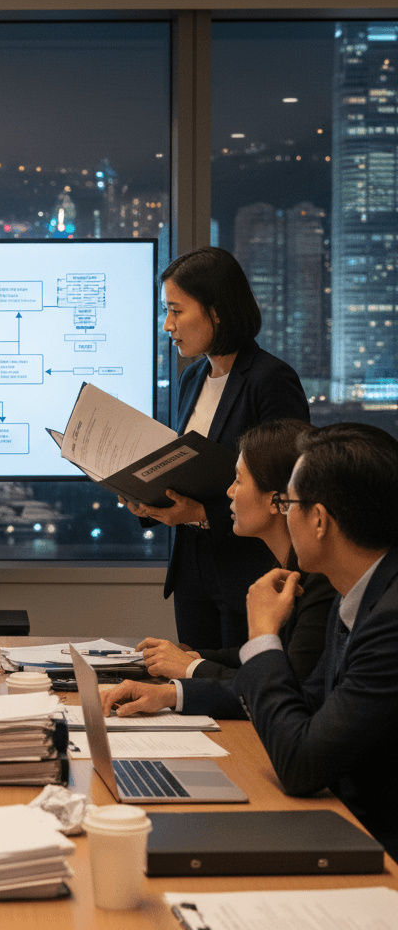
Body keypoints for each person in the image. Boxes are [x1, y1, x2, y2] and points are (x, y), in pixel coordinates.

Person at [104, 423, 398, 860]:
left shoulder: (387, 621)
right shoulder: (355, 596)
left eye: (289, 503)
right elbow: (310, 703)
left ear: (318, 520)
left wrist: (262, 637)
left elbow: (300, 763)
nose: (285, 512)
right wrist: (177, 690)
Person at [123, 247, 309, 650]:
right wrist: (148, 496)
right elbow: (185, 467)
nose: (167, 325)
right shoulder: (192, 378)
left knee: (242, 693)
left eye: (176, 311)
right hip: (191, 567)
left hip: (249, 570)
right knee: (194, 682)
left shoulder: (270, 379)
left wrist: (202, 514)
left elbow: (289, 489)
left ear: (217, 311)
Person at [137, 417, 335, 689]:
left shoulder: (321, 580)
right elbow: (262, 656)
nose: (229, 491)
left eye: (239, 481)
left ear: (278, 500)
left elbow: (290, 685)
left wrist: (192, 668)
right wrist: (194, 657)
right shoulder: (283, 564)